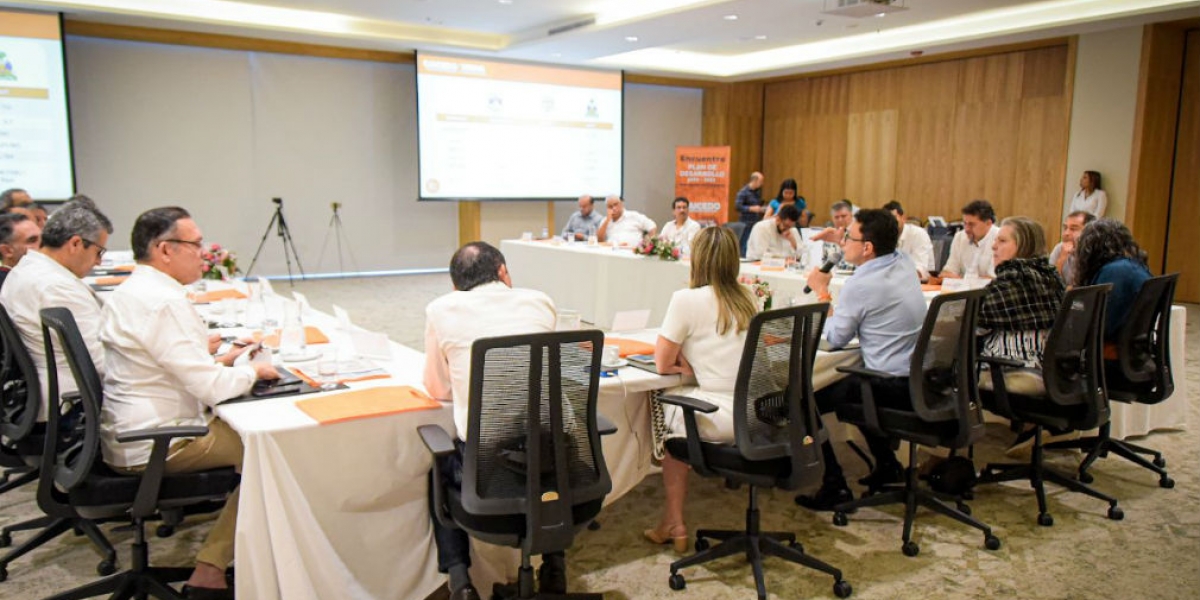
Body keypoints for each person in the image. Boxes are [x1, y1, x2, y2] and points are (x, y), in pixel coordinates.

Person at [100, 207, 278, 600]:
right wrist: (254, 372)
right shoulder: (163, 302)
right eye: (195, 244)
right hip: (162, 440)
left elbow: (164, 363)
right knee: (276, 453)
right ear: (165, 250)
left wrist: (214, 358)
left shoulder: (134, 290)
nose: (203, 252)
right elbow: (212, 389)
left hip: (132, 430)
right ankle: (211, 570)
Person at [423, 241, 560, 600]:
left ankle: (460, 582)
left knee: (437, 463)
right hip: (552, 470)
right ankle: (555, 568)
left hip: (486, 478)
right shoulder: (540, 301)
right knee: (548, 450)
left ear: (456, 287)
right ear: (503, 272)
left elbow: (437, 387)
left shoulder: (441, 309)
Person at [794, 209, 925, 510]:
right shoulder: (903, 261)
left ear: (867, 248)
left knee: (803, 399)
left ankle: (834, 484)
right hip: (917, 379)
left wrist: (821, 292)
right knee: (852, 382)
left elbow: (836, 338)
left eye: (848, 237)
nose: (842, 244)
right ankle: (888, 464)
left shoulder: (861, 284)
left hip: (889, 385)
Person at [644, 226, 758, 551]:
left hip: (716, 417)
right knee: (677, 411)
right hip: (753, 416)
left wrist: (687, 366)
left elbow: (662, 364)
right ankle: (671, 521)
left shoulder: (686, 300)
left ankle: (674, 521)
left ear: (697, 260)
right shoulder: (749, 296)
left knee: (666, 413)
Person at [0, 198, 111, 420]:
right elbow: (103, 362)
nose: (98, 262)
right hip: (73, 404)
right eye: (99, 252)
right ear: (76, 244)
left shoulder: (28, 270)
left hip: (50, 395)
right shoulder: (56, 287)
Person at [978, 217, 1065, 369]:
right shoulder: (1050, 276)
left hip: (1009, 365)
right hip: (1048, 365)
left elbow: (974, 323)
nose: (994, 246)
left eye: (1002, 241)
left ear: (1023, 246)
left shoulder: (1012, 281)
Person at [1072, 219, 1153, 344]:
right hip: (1135, 342)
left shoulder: (1114, 274)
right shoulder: (1133, 266)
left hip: (1114, 345)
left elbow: (1099, 324)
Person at [941, 199, 999, 279]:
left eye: (972, 224)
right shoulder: (960, 237)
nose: (967, 229)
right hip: (963, 289)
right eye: (965, 223)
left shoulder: (1000, 239)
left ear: (988, 223)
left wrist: (962, 283)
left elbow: (993, 279)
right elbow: (947, 272)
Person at [883, 200, 934, 280]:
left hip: (920, 283)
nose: (890, 223)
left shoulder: (918, 234)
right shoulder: (884, 235)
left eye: (893, 219)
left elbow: (921, 269)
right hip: (894, 282)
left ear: (903, 218)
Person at [1047, 210, 1096, 286]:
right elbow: (1049, 282)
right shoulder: (1059, 248)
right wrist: (1061, 259)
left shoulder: (1095, 250)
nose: (1066, 233)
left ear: (1089, 232)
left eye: (1073, 229)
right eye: (1065, 228)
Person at [809, 200, 856, 271]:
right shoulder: (829, 236)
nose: (840, 220)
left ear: (851, 215)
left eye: (843, 216)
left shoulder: (858, 235)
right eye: (836, 217)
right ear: (832, 219)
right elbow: (824, 260)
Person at [0, 212, 42, 289]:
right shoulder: (7, 287)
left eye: (43, 238)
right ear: (7, 251)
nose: (43, 244)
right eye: (32, 240)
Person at [735, 172, 765, 253]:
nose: (762, 184)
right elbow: (738, 206)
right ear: (755, 180)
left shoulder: (757, 192)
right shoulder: (743, 192)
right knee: (744, 243)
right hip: (746, 223)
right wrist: (750, 208)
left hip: (755, 222)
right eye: (761, 181)